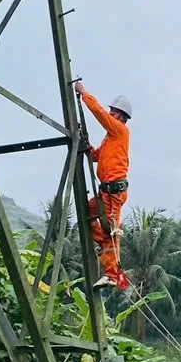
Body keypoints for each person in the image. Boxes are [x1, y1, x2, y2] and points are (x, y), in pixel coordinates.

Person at [73, 80, 131, 289]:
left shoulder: (120, 131)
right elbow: (100, 156)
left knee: (109, 229)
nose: (111, 114)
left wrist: (83, 93)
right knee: (87, 213)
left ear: (122, 117)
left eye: (114, 112)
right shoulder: (111, 138)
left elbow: (100, 114)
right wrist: (89, 149)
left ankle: (112, 274)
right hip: (106, 191)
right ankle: (104, 244)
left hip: (114, 192)